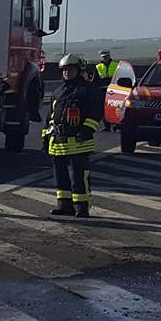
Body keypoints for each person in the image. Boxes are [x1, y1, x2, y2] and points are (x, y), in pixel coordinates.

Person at [44, 54, 105, 218]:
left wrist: (86, 130)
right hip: (58, 142)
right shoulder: (58, 91)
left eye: (70, 70)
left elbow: (96, 113)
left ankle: (81, 207)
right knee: (60, 176)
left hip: (79, 141)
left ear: (78, 70)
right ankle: (64, 205)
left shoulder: (88, 89)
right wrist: (45, 136)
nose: (67, 73)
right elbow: (50, 116)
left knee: (79, 176)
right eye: (64, 70)